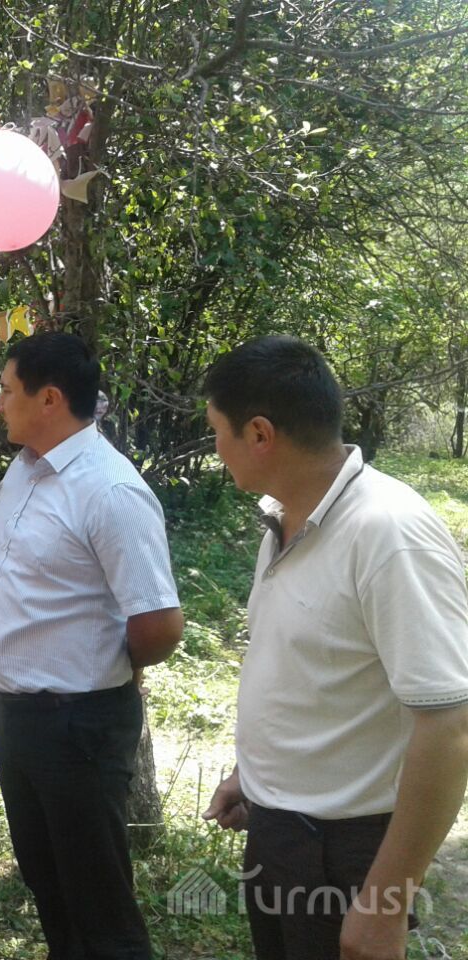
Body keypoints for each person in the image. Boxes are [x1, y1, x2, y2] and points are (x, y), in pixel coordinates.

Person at [200, 336, 468, 960]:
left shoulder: (389, 534)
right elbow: (309, 671)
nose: (215, 449)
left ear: (259, 434)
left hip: (347, 851)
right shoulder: (286, 518)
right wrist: (255, 777)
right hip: (281, 833)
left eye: (217, 431)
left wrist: (384, 902)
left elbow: (449, 725)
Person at [0, 331, 183, 960]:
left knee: (99, 907)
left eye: (7, 390)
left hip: (79, 727)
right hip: (22, 718)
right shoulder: (25, 469)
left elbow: (160, 624)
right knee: (50, 885)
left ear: (50, 399)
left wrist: (103, 666)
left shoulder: (110, 490)